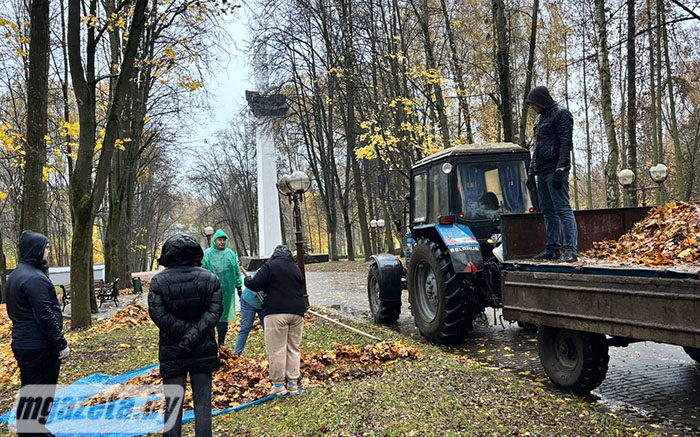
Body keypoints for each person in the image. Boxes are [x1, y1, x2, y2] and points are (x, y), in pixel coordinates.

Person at [149, 233, 223, 437]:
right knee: (203, 405)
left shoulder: (158, 282)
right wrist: (192, 334)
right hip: (202, 347)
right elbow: (214, 312)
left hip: (173, 349)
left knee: (173, 405)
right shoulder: (210, 279)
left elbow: (159, 315)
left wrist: (185, 334)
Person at [7, 231, 69, 436]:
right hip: (39, 346)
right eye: (46, 247)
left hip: (23, 343)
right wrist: (60, 343)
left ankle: (27, 430)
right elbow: (44, 316)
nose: (48, 251)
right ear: (36, 250)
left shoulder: (16, 275)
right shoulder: (34, 278)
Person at [244, 245, 306, 396]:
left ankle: (278, 385)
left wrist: (247, 280)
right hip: (297, 313)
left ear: (274, 255)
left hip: (276, 312)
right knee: (293, 348)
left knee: (277, 350)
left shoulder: (270, 266)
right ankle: (292, 384)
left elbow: (255, 284)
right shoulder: (296, 269)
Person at [526, 85, 578, 263]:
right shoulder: (539, 119)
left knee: (562, 209)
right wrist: (531, 171)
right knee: (548, 210)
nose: (533, 108)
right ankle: (552, 248)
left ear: (541, 101)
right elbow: (537, 146)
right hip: (542, 170)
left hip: (555, 169)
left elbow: (565, 142)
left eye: (533, 104)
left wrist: (561, 169)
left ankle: (571, 250)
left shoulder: (561, 113)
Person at [201, 229, 243, 346]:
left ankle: (221, 342)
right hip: (211, 291)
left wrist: (239, 287)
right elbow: (202, 270)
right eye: (219, 240)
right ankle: (211, 342)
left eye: (224, 240)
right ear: (214, 241)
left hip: (227, 291)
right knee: (211, 315)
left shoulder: (230, 254)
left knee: (223, 317)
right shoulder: (207, 254)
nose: (222, 242)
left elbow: (236, 270)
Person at [233, 271, 265, 355]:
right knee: (245, 327)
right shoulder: (265, 270)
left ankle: (273, 353)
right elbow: (251, 281)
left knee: (268, 328)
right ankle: (237, 354)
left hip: (264, 303)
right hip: (249, 300)